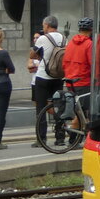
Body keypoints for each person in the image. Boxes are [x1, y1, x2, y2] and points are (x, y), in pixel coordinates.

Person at [31, 16, 65, 147]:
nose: (43, 27)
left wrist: (40, 54)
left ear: (47, 25)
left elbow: (32, 55)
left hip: (43, 77)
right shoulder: (63, 38)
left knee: (41, 108)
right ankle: (60, 137)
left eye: (43, 25)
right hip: (58, 77)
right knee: (59, 107)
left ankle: (41, 139)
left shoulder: (42, 38)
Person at [62, 17, 94, 123]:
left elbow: (64, 63)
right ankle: (73, 137)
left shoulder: (70, 43)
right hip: (84, 82)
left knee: (78, 111)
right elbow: (93, 64)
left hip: (70, 81)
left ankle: (76, 135)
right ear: (91, 29)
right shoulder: (89, 44)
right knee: (85, 112)